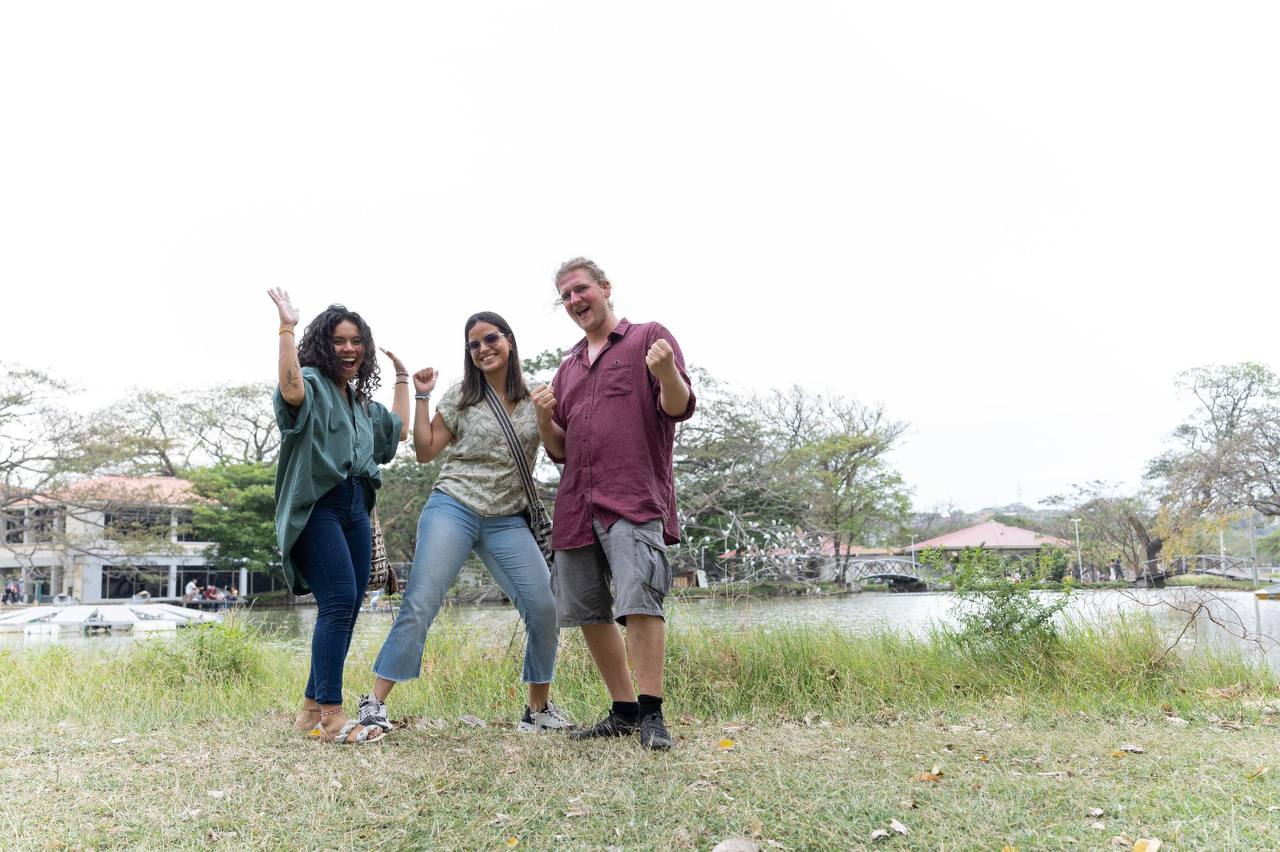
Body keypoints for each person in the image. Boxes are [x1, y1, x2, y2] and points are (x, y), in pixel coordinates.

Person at [358, 312, 572, 735]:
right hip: (453, 506)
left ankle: (538, 710)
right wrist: (422, 397)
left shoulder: (539, 395)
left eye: (490, 338)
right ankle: (374, 702)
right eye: (473, 344)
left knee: (545, 607)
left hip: (507, 518)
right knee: (421, 601)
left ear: (509, 340)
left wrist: (546, 416)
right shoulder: (461, 396)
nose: (483, 348)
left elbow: (557, 451)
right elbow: (424, 451)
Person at [532, 257, 695, 750]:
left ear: (604, 287)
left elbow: (677, 407)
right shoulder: (568, 368)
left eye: (581, 289)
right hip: (576, 504)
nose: (575, 300)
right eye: (565, 296)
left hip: (631, 494)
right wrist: (543, 419)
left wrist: (666, 372)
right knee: (588, 610)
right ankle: (623, 710)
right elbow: (561, 449)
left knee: (640, 600)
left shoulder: (648, 338)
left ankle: (652, 714)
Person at [270, 288, 409, 744]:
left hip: (355, 507)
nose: (348, 349)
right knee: (336, 602)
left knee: (348, 604)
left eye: (356, 341)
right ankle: (332, 714)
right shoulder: (310, 382)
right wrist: (287, 326)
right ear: (322, 346)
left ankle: (311, 709)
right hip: (319, 504)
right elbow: (290, 389)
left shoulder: (360, 405)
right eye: (338, 341)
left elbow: (397, 433)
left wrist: (406, 381)